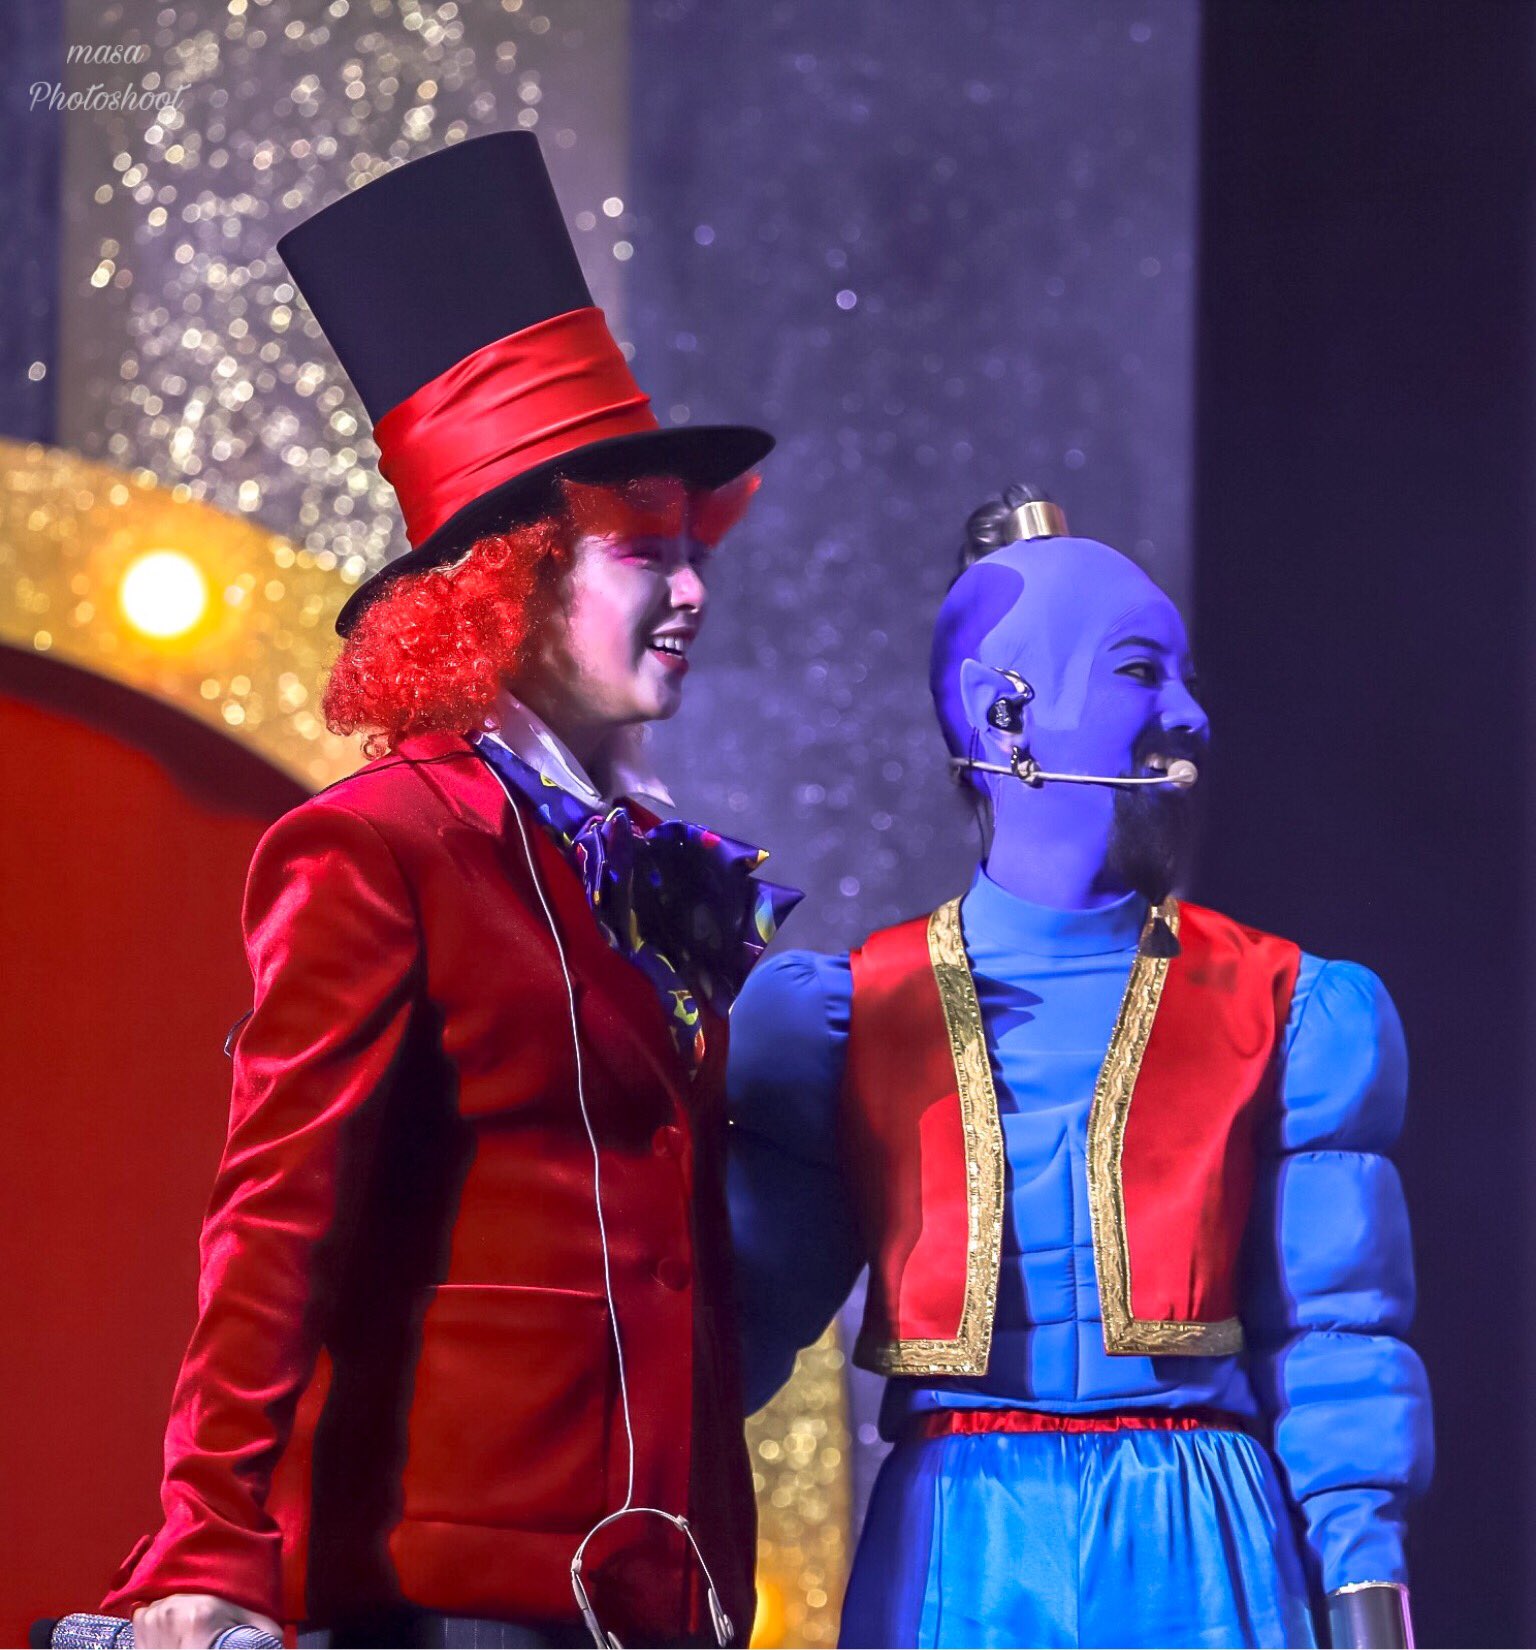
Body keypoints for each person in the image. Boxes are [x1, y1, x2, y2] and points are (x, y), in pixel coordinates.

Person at [100, 132, 796, 1649]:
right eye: (644, 555)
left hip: (661, 1600)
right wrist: (208, 1541)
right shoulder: (380, 846)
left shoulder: (639, 867)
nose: (692, 590)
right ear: (514, 582)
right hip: (455, 1605)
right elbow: (273, 1221)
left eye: (695, 551)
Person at [726, 488, 1432, 1649]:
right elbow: (734, 1333)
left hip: (1202, 1545)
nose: (1190, 715)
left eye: (1186, 678)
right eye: (1142, 673)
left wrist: (1371, 1608)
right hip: (960, 1550)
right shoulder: (847, 1018)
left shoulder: (1291, 1007)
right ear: (1005, 712)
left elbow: (1339, 1333)